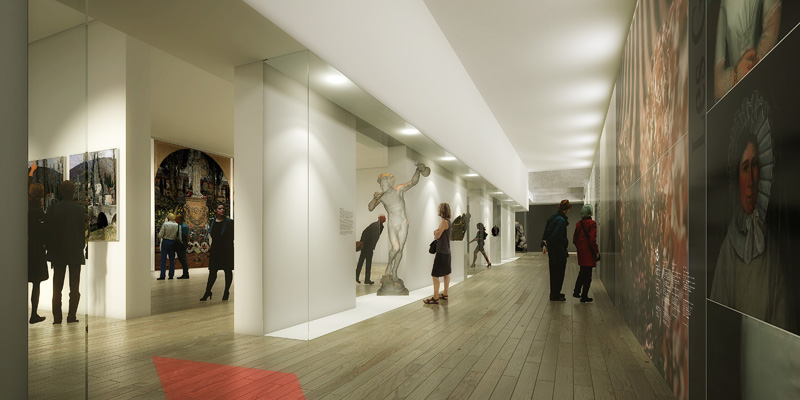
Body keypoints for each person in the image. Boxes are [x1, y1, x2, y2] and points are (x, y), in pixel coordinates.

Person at [710, 92, 794, 330]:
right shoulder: (729, 249)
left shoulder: (771, 251)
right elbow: (718, 321)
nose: (751, 181)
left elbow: (782, 322)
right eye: (745, 168)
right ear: (737, 177)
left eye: (755, 166)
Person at [368, 162, 428, 294]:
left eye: (383, 183)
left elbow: (413, 182)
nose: (381, 186)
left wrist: (418, 170)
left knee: (400, 249)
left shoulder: (398, 189)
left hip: (403, 222)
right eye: (380, 184)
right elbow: (370, 207)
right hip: (392, 224)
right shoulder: (381, 197)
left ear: (390, 182)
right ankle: (389, 266)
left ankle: (394, 271)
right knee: (395, 248)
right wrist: (374, 199)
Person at [713, 0, 781, 101]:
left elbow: (771, 31)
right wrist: (736, 74)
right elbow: (716, 84)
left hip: (764, 79)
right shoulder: (724, 4)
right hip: (736, 94)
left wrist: (754, 64)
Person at [47, 180, 86, 324]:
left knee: (57, 287)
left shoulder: (53, 208)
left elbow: (49, 231)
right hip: (75, 251)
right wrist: (80, 246)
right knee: (74, 287)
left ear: (61, 192)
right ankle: (71, 316)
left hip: (58, 252)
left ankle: (57, 318)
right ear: (73, 192)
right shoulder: (79, 210)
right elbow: (82, 232)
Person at [27, 165, 49, 324]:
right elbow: (45, 234)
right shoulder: (39, 212)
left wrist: (31, 172)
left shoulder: (25, 209)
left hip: (25, 250)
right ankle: (33, 313)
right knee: (36, 283)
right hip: (36, 252)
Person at [201, 203, 234, 301]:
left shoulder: (229, 222)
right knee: (212, 271)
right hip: (215, 250)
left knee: (227, 271)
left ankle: (226, 291)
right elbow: (210, 235)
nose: (222, 210)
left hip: (227, 250)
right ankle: (207, 291)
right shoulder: (212, 221)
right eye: (220, 208)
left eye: (223, 208)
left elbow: (232, 236)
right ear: (215, 210)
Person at [541, 200, 571, 301]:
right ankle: (555, 294)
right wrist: (548, 242)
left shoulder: (553, 218)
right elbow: (556, 235)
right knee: (559, 272)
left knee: (553, 271)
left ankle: (554, 292)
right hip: (559, 249)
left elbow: (547, 232)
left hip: (553, 249)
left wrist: (544, 243)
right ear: (567, 209)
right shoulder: (561, 220)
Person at [424, 203, 452, 305]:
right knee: (446, 274)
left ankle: (435, 298)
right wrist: (437, 231)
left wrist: (435, 231)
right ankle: (445, 294)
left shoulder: (444, 222)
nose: (437, 210)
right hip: (447, 252)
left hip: (442, 252)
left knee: (435, 275)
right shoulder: (448, 221)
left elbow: (437, 235)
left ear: (442, 211)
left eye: (439, 209)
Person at [572, 204, 599, 303]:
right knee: (588, 275)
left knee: (583, 272)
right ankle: (583, 295)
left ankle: (578, 292)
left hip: (582, 252)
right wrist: (596, 252)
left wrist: (580, 247)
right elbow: (592, 240)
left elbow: (574, 239)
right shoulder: (592, 224)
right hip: (589, 252)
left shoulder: (578, 224)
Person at [356, 214, 385, 284]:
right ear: (380, 219)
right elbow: (369, 235)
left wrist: (363, 241)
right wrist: (365, 242)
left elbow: (365, 232)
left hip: (367, 246)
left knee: (362, 262)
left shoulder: (377, 225)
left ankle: (361, 278)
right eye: (384, 218)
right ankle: (364, 279)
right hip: (368, 247)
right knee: (366, 263)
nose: (385, 219)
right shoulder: (377, 225)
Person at [157, 213, 181, 280]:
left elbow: (160, 235)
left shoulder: (165, 224)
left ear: (168, 218)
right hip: (173, 243)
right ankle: (171, 275)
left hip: (165, 242)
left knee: (163, 260)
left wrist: (160, 236)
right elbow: (179, 236)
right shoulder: (177, 225)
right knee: (172, 260)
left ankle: (162, 275)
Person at [175, 214, 191, 279]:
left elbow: (187, 236)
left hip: (182, 245)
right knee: (181, 259)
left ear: (180, 220)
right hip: (180, 244)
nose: (175, 220)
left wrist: (187, 243)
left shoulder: (184, 227)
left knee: (183, 259)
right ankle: (185, 273)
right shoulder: (180, 225)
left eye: (176, 219)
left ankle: (186, 274)